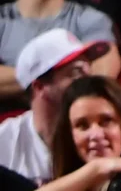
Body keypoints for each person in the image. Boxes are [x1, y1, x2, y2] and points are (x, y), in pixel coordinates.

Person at [0, 26, 111, 178]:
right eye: (76, 72)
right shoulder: (6, 143)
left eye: (88, 70)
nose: (88, 81)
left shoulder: (102, 135)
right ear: (39, 87)